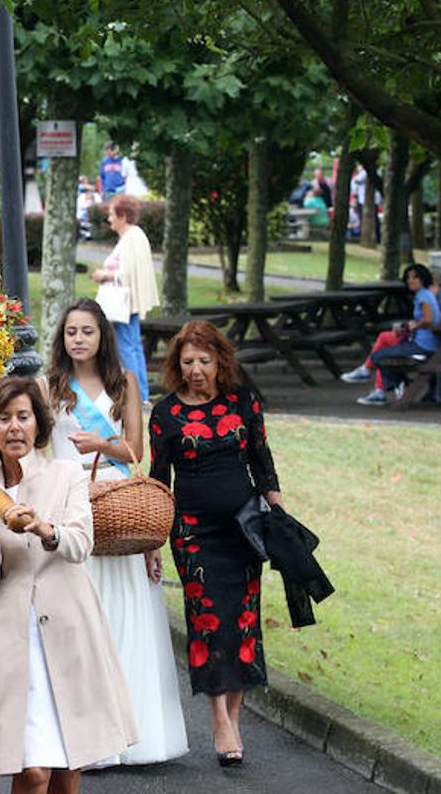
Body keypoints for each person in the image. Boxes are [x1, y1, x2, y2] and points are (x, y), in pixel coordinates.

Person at [0, 375, 137, 790]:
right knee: (32, 769)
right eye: (3, 418)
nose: (14, 427)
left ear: (39, 424)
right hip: (13, 637)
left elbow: (80, 543)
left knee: (66, 765)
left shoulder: (67, 474)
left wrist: (45, 528)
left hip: (68, 629)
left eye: (23, 417)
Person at [43, 299, 188, 766]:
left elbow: (134, 448)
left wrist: (101, 444)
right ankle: (86, 738)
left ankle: (131, 732)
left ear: (102, 335)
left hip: (116, 501)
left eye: (87, 331)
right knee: (82, 622)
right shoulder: (51, 386)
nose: (79, 339)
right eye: (71, 332)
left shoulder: (122, 382)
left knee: (124, 614)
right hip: (70, 502)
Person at [148, 320, 283, 766]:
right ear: (177, 366)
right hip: (191, 532)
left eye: (204, 361)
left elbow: (263, 463)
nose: (196, 370)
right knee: (208, 623)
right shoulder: (165, 414)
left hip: (243, 529)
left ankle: (234, 718)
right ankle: (218, 719)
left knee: (242, 621)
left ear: (220, 361)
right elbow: (159, 480)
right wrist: (153, 542)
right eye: (187, 362)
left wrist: (278, 517)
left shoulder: (244, 403)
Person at [90, 194, 159, 402]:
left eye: (112, 214)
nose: (109, 219)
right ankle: (141, 393)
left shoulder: (132, 238)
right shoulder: (131, 237)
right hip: (127, 302)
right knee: (133, 346)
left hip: (125, 303)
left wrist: (104, 275)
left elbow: (128, 273)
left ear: (123, 215)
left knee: (127, 347)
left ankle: (137, 395)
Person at [353, 263, 441, 405]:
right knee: (383, 351)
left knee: (377, 356)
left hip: (423, 346)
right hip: (422, 343)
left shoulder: (423, 296)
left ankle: (399, 383)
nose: (410, 280)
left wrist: (414, 326)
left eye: (415, 277)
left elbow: (429, 320)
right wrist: (407, 326)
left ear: (423, 279)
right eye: (408, 277)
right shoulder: (424, 295)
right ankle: (396, 384)